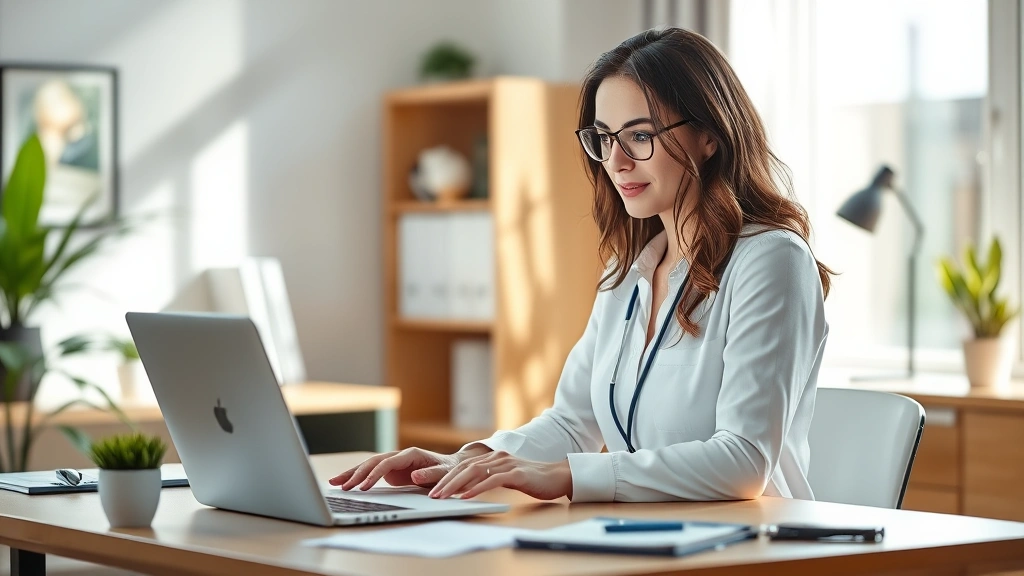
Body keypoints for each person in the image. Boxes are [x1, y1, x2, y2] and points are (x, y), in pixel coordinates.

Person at [332, 27, 833, 503]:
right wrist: (470, 460)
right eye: (603, 138)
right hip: (642, 537)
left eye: (639, 136)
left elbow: (744, 462)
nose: (615, 161)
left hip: (754, 548)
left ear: (710, 136)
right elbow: (573, 422)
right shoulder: (629, 271)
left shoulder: (771, 260)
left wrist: (569, 476)